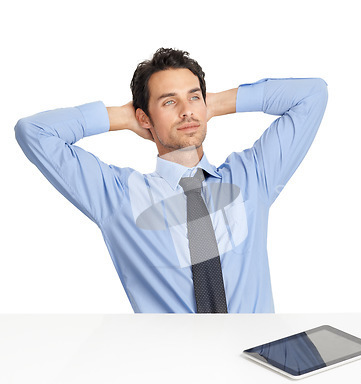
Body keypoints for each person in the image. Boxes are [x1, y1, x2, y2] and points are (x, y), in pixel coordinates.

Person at [15, 48, 328, 313]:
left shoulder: (253, 176)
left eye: (193, 97)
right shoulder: (117, 196)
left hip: (260, 365)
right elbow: (35, 132)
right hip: (172, 367)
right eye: (169, 102)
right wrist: (122, 117)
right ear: (144, 118)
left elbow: (312, 95)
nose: (186, 112)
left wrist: (213, 103)